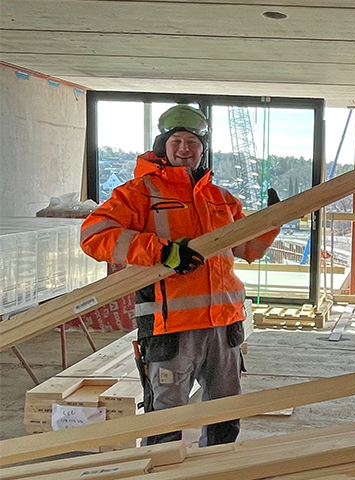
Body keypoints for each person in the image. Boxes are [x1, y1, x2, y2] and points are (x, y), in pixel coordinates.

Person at [81, 105, 282, 447]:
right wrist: (161, 251)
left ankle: (216, 470)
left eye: (192, 141)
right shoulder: (139, 193)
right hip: (169, 325)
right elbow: (94, 235)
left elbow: (247, 249)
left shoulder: (221, 199)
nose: (185, 148)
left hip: (223, 325)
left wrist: (271, 221)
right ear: (162, 144)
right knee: (166, 416)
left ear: (203, 148)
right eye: (177, 140)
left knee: (225, 411)